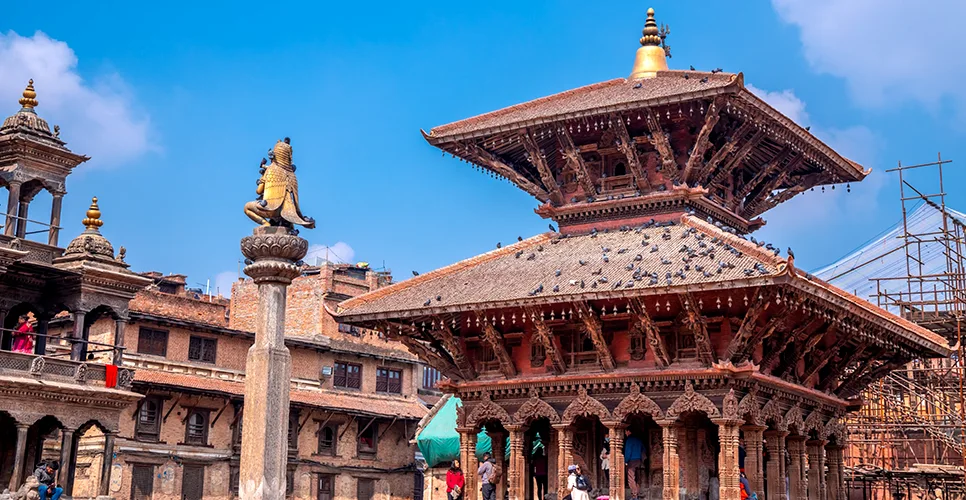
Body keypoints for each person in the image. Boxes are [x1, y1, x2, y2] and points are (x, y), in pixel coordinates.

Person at [623, 429, 645, 500]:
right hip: (639, 460)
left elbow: (628, 451)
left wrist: (626, 461)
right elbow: (644, 450)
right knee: (637, 478)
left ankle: (634, 495)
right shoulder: (638, 440)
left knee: (631, 478)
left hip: (631, 461)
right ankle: (637, 493)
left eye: (625, 431)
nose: (625, 433)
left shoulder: (629, 440)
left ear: (629, 431)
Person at [532, 435, 548, 500]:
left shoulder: (536, 459)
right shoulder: (545, 459)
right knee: (545, 487)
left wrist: (533, 473)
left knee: (539, 488)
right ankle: (545, 498)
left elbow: (533, 466)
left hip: (538, 475)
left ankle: (540, 499)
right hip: (544, 474)